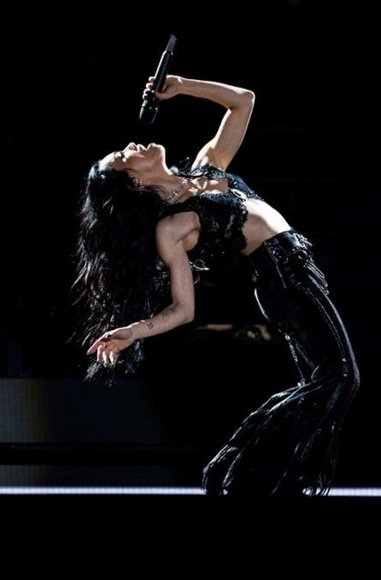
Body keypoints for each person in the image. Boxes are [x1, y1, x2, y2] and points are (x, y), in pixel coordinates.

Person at [72, 72, 360, 496]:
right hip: (282, 283)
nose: (130, 145)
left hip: (301, 269)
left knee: (327, 380)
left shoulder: (207, 167)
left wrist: (181, 85)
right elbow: (183, 309)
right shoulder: (173, 227)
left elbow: (244, 100)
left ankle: (248, 473)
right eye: (122, 156)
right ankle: (243, 473)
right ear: (134, 182)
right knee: (341, 376)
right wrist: (135, 331)